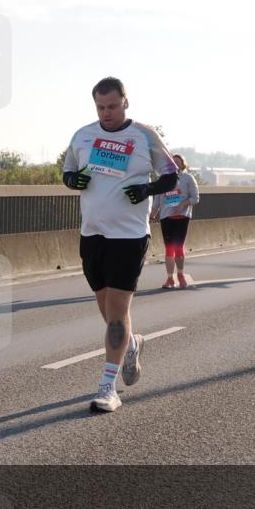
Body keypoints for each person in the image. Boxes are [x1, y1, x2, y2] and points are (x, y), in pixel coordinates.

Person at [63, 77, 179, 413]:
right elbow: (68, 171)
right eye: (100, 107)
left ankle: (107, 388)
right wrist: (73, 180)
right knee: (106, 309)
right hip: (92, 234)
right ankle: (132, 344)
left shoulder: (143, 135)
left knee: (117, 314)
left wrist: (147, 190)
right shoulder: (82, 135)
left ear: (125, 101)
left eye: (112, 106)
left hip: (128, 237)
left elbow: (170, 175)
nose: (107, 113)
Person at [150, 153, 200, 288]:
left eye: (178, 162)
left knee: (178, 248)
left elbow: (196, 198)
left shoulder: (188, 178)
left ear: (183, 165)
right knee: (168, 249)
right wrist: (152, 214)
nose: (175, 164)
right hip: (166, 217)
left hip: (182, 217)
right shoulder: (164, 179)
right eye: (173, 162)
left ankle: (181, 275)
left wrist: (183, 204)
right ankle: (170, 278)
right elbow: (157, 200)